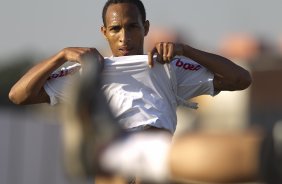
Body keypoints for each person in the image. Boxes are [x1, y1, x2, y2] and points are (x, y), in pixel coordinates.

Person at [8, 0, 263, 183]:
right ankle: (114, 146)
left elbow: (240, 79)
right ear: (104, 32)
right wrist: (61, 55)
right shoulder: (88, 71)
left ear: (146, 28)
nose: (124, 37)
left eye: (132, 27)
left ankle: (125, 148)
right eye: (116, 29)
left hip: (153, 158)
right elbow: (18, 95)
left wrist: (186, 50)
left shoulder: (168, 65)